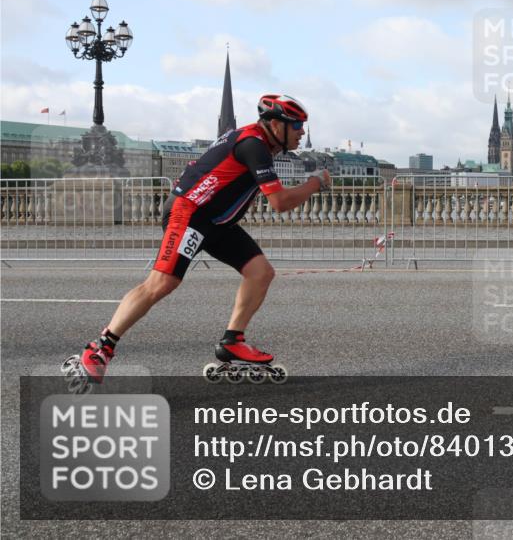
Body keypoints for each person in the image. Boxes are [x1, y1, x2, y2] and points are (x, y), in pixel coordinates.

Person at [67, 94, 331, 386]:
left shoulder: (256, 141)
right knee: (162, 282)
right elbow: (279, 202)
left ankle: (233, 341)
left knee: (260, 273)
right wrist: (314, 183)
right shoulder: (253, 144)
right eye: (296, 126)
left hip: (215, 220)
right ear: (274, 124)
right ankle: (99, 348)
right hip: (190, 213)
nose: (302, 132)